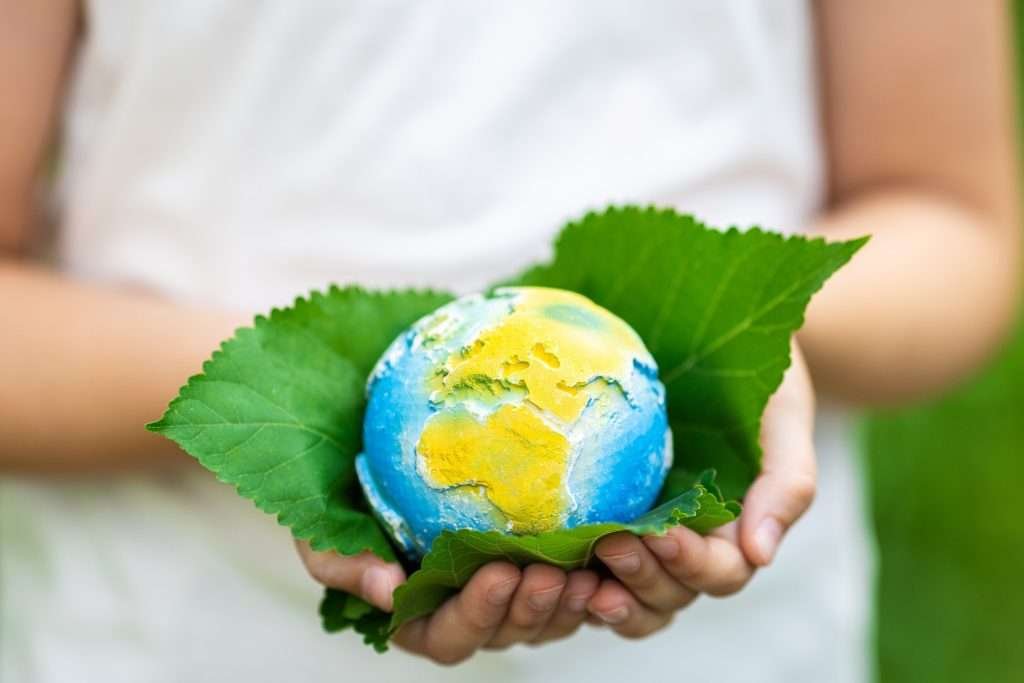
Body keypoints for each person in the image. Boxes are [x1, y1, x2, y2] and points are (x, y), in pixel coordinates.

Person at [1, 2, 1019, 681]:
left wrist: (759, 343)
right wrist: (301, 407)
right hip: (177, 632)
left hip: (731, 646)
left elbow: (956, 222)